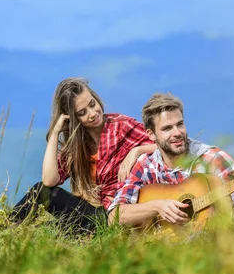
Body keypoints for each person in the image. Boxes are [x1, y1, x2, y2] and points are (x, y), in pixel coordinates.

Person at [10, 77, 156, 232]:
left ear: (96, 98)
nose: (92, 114)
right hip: (93, 214)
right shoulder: (78, 145)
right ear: (73, 118)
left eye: (92, 104)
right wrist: (54, 133)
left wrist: (137, 150)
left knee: (50, 229)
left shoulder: (120, 126)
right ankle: (2, 231)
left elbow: (166, 146)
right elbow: (49, 180)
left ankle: (2, 232)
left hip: (117, 213)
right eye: (82, 112)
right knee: (42, 199)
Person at [107, 92, 234, 227]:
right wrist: (157, 207)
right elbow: (114, 217)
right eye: (167, 128)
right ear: (151, 134)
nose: (177, 133)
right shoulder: (145, 166)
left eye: (180, 124)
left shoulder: (214, 159)